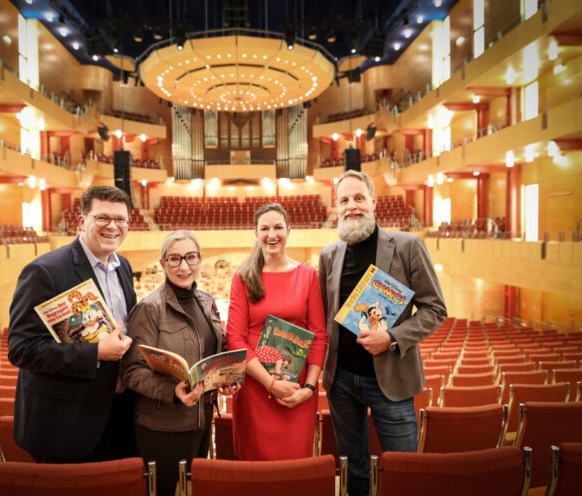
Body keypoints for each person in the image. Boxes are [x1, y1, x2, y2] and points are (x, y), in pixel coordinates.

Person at [318, 170, 447, 495]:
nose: (352, 206)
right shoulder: (329, 255)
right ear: (337, 207)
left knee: (404, 468)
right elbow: (323, 316)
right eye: (344, 200)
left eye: (359, 198)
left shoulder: (407, 245)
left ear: (373, 202)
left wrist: (391, 337)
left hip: (391, 378)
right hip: (342, 381)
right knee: (354, 468)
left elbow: (435, 309)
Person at [8, 185, 137, 463]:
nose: (112, 226)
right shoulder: (45, 271)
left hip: (118, 414)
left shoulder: (123, 267)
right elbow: (22, 349)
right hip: (66, 422)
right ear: (82, 220)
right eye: (102, 218)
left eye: (120, 219)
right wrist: (96, 352)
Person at [121, 230, 238, 496]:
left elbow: (215, 352)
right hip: (162, 424)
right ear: (162, 264)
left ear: (200, 260)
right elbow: (131, 372)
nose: (183, 266)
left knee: (194, 489)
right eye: (174, 259)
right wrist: (172, 391)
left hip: (201, 419)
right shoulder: (149, 309)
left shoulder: (207, 302)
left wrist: (226, 379)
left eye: (190, 257)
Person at [227, 203, 328, 461]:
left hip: (296, 389)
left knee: (294, 462)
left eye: (278, 227)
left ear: (288, 230)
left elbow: (318, 335)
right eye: (265, 228)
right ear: (256, 233)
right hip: (255, 387)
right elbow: (235, 339)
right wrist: (270, 383)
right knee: (256, 465)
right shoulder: (243, 276)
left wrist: (309, 388)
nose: (272, 235)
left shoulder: (307, 275)